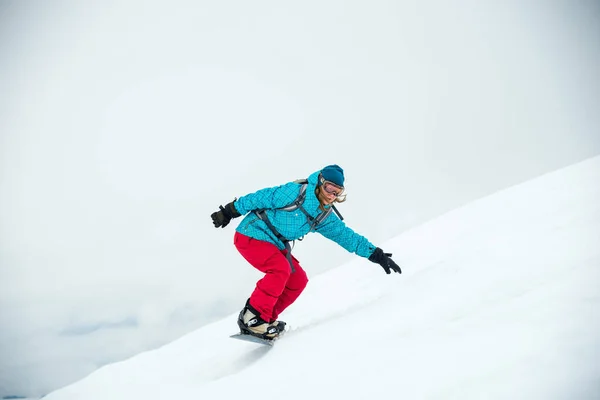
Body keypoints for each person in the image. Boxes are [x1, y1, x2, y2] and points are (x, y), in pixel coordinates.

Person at [211, 164, 401, 340]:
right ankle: (252, 319)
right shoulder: (295, 193)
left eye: (337, 192)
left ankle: (265, 320)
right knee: (280, 270)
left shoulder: (324, 216)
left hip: (274, 243)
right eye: (329, 188)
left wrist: (375, 254)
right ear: (319, 182)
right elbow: (261, 197)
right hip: (252, 234)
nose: (331, 195)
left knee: (297, 280)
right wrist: (229, 211)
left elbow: (346, 236)